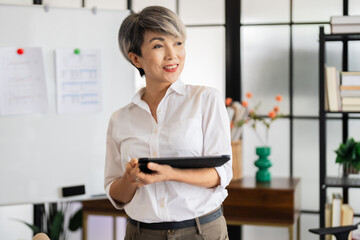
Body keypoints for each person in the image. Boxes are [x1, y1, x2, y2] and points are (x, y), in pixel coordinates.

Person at [104, 6, 232, 240]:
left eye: (178, 43)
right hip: (141, 233)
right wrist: (130, 178)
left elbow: (221, 174)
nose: (173, 54)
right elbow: (117, 195)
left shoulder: (205, 100)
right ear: (136, 58)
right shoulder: (120, 119)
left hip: (201, 231)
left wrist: (170, 173)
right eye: (158, 45)